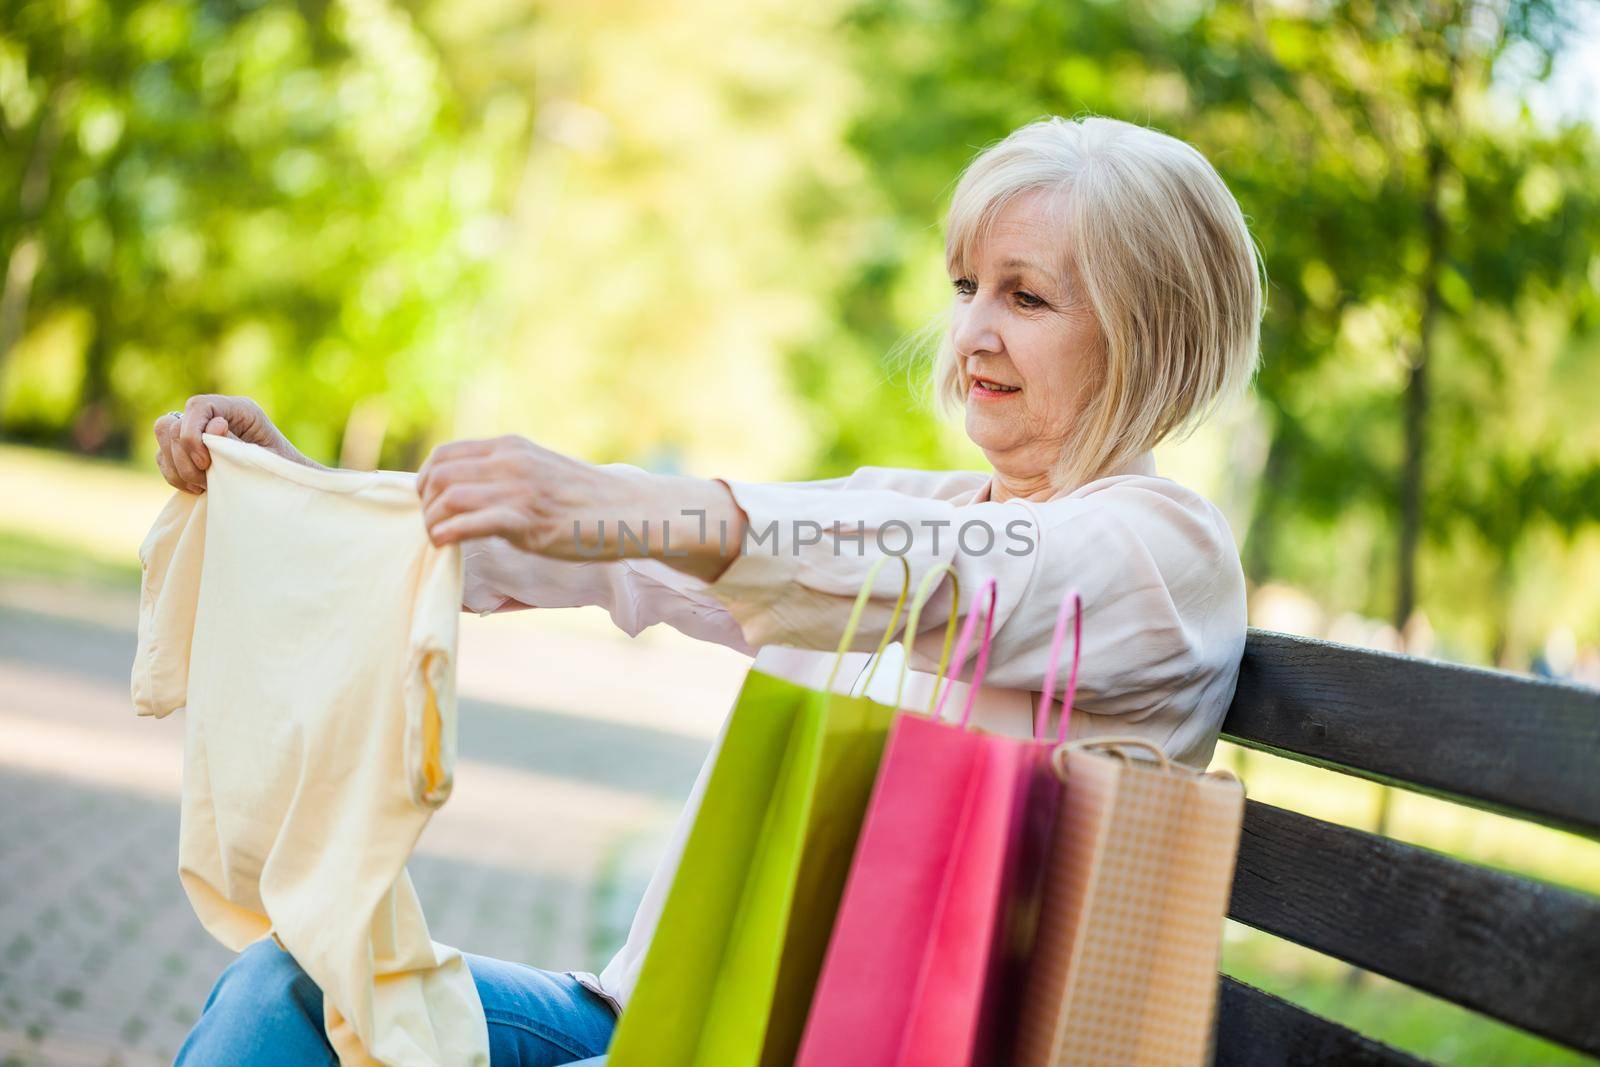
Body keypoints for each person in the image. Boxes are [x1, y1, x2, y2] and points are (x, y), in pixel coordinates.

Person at [159, 113, 1263, 1066]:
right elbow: (635, 560)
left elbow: (935, 576)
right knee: (286, 986)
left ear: (1145, 333)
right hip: (665, 1020)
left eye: (1026, 297)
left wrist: (628, 504)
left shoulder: (1161, 552)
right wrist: (306, 489)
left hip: (848, 1041)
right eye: (969, 286)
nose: (972, 330)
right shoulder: (931, 504)